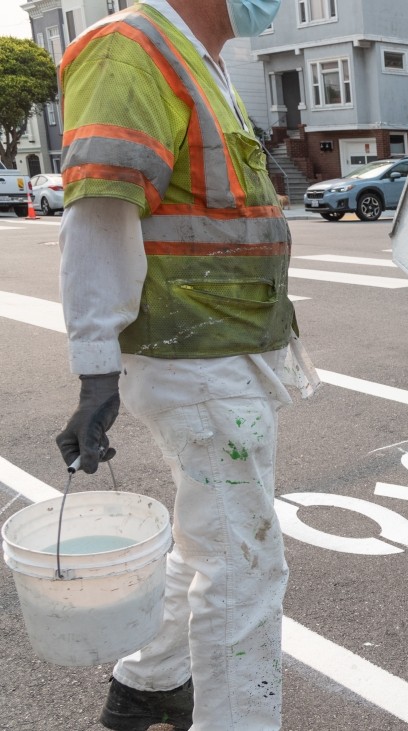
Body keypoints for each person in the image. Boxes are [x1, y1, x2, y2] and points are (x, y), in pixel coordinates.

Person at [54, 1, 317, 729]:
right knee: (245, 563)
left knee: (215, 537)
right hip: (193, 355)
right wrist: (95, 368)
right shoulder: (130, 48)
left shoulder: (198, 60)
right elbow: (99, 214)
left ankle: (149, 682)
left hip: (222, 349)